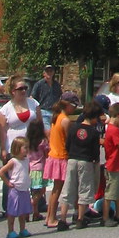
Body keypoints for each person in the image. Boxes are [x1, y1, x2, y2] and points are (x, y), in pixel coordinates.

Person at [56, 101, 102, 231]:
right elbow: (95, 151)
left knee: (68, 188)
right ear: (94, 117)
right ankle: (80, 219)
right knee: (84, 189)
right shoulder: (93, 132)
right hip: (85, 161)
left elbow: (68, 144)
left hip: (72, 160)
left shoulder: (74, 128)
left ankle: (63, 219)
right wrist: (95, 162)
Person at [42, 92, 78, 229]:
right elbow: (69, 141)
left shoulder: (56, 117)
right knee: (58, 189)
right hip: (61, 157)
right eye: (73, 106)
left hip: (53, 155)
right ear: (67, 105)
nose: (74, 109)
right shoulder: (65, 120)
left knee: (55, 189)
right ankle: (51, 218)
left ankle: (49, 216)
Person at [0, 77, 43, 167]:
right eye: (20, 89)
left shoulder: (34, 103)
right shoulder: (5, 109)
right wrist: (3, 149)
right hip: (14, 147)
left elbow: (40, 124)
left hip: (32, 146)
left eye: (25, 88)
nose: (23, 91)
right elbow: (2, 132)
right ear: (13, 91)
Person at [0, 136, 31, 238]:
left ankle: (22, 229)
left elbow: (27, 171)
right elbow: (1, 172)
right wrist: (8, 183)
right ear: (17, 148)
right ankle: (10, 231)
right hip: (15, 190)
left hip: (24, 189)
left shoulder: (26, 160)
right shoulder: (13, 161)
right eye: (25, 148)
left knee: (22, 212)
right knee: (12, 212)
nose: (27, 150)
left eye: (27, 147)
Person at [25, 119, 48, 222]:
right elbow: (46, 154)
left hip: (30, 169)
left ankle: (35, 212)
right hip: (40, 168)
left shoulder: (27, 142)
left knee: (34, 191)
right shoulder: (42, 141)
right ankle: (30, 206)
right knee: (41, 191)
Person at [30, 66, 62, 133]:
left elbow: (60, 97)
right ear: (44, 73)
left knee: (55, 132)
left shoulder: (57, 85)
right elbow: (32, 98)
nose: (49, 73)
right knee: (48, 132)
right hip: (43, 112)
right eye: (47, 71)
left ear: (53, 73)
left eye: (51, 71)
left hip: (55, 113)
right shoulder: (39, 84)